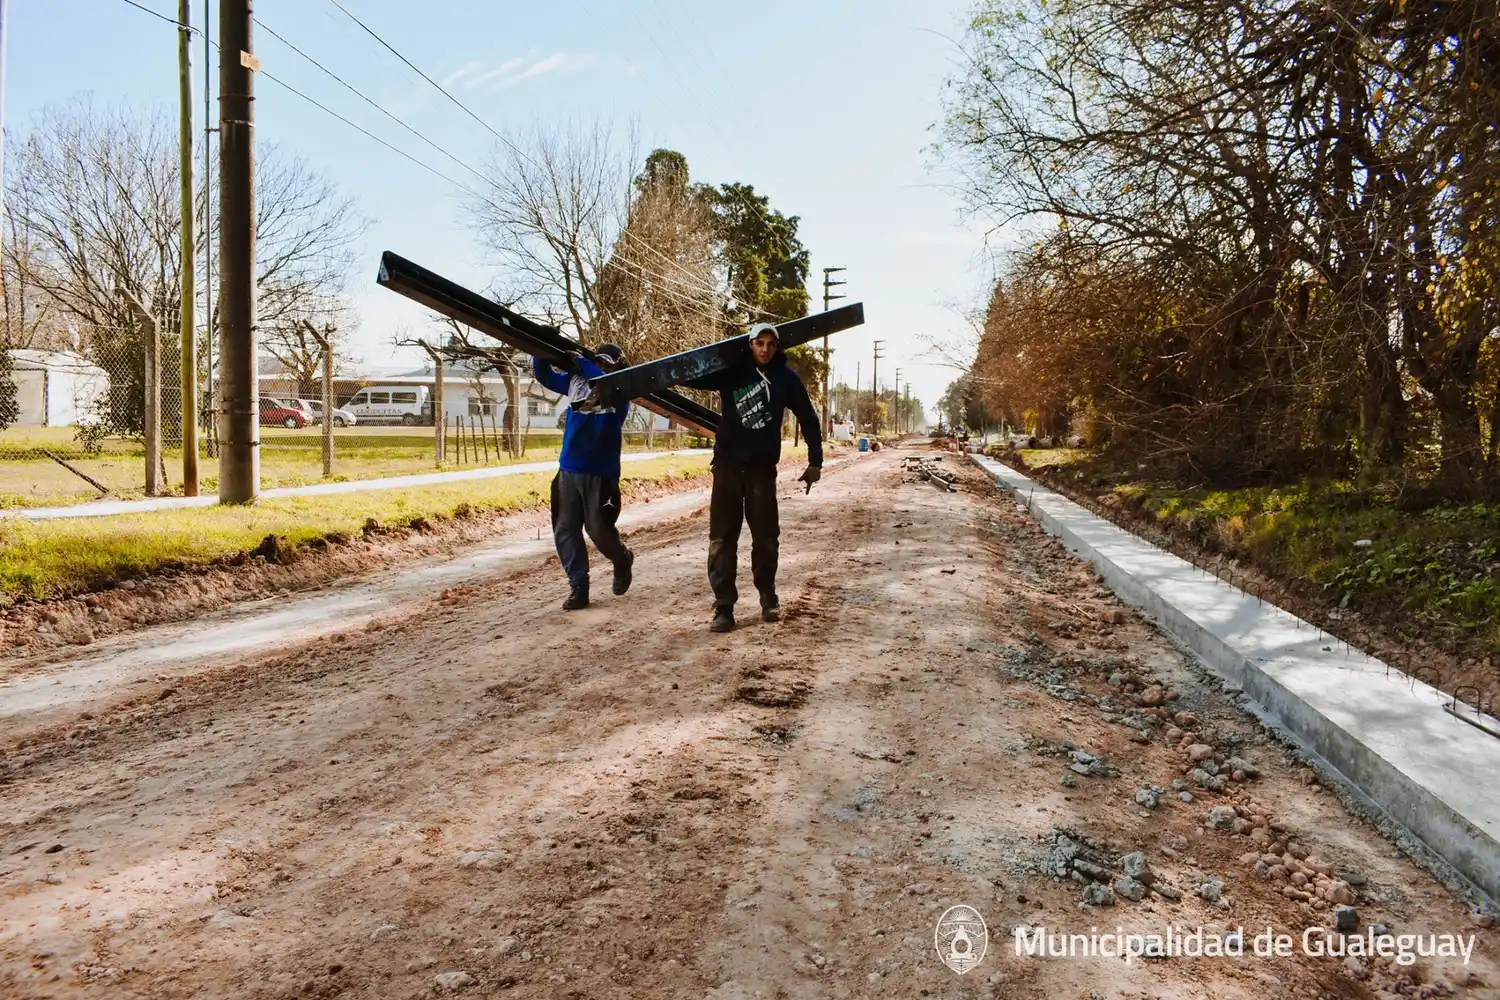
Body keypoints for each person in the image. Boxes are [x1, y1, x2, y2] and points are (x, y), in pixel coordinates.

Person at [683, 323, 823, 633]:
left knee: (766, 538)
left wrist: (816, 460)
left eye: (770, 343)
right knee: (721, 539)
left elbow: (809, 417)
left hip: (761, 470)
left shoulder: (786, 379)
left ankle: (767, 596)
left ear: (777, 346)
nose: (764, 349)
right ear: (750, 344)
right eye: (759, 343)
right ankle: (723, 607)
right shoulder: (732, 372)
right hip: (728, 466)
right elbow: (694, 374)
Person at [532, 344, 634, 611]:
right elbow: (544, 376)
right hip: (569, 469)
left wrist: (581, 362)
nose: (602, 367)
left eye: (607, 364)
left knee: (599, 530)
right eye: (598, 362)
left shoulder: (620, 389)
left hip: (601, 473)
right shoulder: (576, 381)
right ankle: (579, 585)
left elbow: (600, 380)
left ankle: (621, 558)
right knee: (566, 529)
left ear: (617, 367)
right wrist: (540, 348)